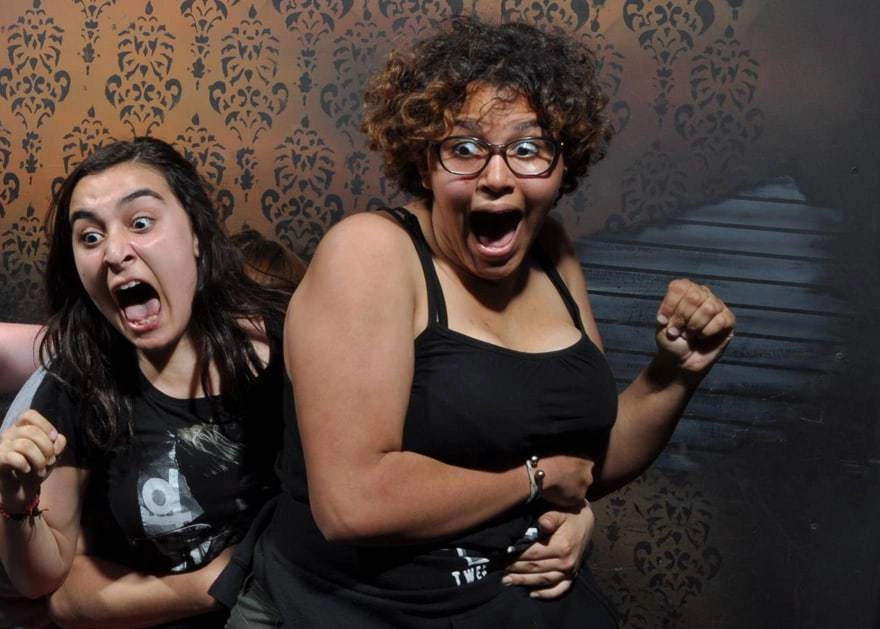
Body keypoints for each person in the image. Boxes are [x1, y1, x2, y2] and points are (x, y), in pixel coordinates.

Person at [224, 17, 736, 628]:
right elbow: (352, 504)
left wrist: (676, 373)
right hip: (360, 612)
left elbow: (583, 461)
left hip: (513, 607)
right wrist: (533, 481)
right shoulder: (371, 252)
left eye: (528, 148)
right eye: (464, 149)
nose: (496, 178)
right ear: (424, 162)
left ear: (562, 165)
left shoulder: (552, 251)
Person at [0, 137, 290, 628]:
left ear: (197, 232)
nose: (114, 253)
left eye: (140, 223)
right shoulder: (79, 381)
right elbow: (43, 584)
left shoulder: (292, 343)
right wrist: (16, 500)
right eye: (90, 237)